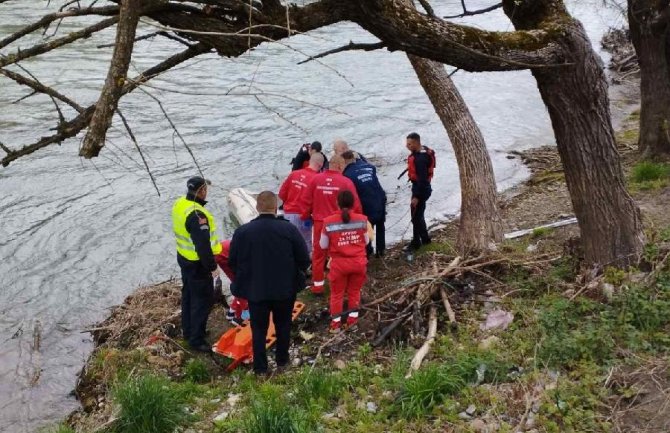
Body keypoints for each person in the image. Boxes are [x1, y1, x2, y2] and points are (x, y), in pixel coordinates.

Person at [228, 191, 310, 375]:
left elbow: (233, 260)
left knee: (258, 328)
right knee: (283, 325)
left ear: (257, 208)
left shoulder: (242, 232)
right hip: (284, 288)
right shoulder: (288, 229)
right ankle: (282, 361)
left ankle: (260, 368)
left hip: (256, 290)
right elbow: (304, 259)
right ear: (275, 208)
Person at [171, 176, 222, 353]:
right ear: (202, 191)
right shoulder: (197, 214)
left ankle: (188, 330)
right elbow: (203, 246)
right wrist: (213, 267)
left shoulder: (180, 204)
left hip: (183, 258)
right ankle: (196, 339)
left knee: (188, 295)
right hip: (197, 263)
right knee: (202, 300)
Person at [299, 155, 362, 294]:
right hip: (338, 224)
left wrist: (305, 216)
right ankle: (338, 283)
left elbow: (306, 200)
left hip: (319, 222)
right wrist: (358, 220)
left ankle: (318, 286)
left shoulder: (315, 179)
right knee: (339, 254)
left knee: (318, 255)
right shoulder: (346, 182)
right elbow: (355, 203)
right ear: (340, 166)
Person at [320, 190, 369, 332]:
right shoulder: (362, 219)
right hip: (358, 263)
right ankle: (352, 322)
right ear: (353, 203)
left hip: (339, 265)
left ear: (337, 203)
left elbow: (323, 245)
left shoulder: (328, 222)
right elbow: (366, 241)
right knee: (354, 291)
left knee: (337, 294)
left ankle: (335, 325)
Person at [342, 150, 387, 257]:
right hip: (379, 201)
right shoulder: (369, 167)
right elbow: (378, 186)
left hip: (365, 206)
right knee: (380, 226)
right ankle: (381, 251)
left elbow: (352, 196)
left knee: (366, 230)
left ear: (344, 161)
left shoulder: (347, 175)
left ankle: (368, 250)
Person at [278, 153, 324, 254]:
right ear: (320, 165)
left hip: (288, 215)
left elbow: (281, 194)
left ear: (309, 162)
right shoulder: (317, 179)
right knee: (306, 242)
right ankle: (305, 265)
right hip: (304, 217)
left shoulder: (294, 174)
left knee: (289, 242)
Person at [405, 132, 436, 250]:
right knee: (417, 215)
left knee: (416, 217)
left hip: (421, 189)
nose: (407, 146)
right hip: (423, 187)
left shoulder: (420, 159)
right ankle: (421, 240)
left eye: (409, 144)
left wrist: (416, 197)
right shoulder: (423, 151)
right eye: (407, 143)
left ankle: (420, 242)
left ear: (417, 143)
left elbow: (422, 179)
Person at [214, 240, 249, 325]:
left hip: (221, 252)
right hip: (224, 255)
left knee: (240, 284)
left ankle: (231, 313)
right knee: (242, 286)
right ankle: (241, 317)